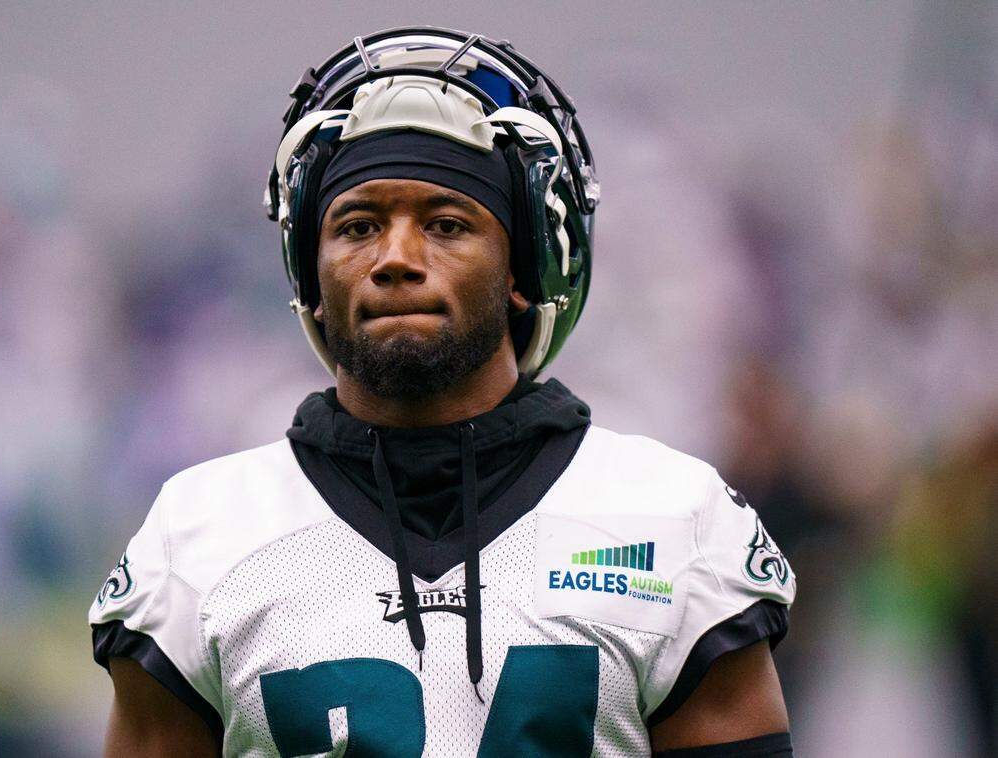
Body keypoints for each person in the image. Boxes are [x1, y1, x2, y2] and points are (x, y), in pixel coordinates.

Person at [89, 26, 796, 757]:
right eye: (358, 225)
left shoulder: (671, 518)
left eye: (447, 224)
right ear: (312, 277)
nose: (396, 258)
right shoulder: (201, 535)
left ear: (524, 268)